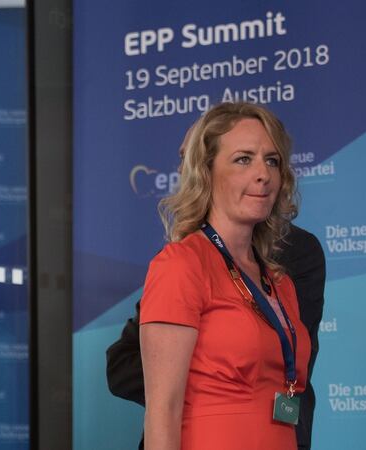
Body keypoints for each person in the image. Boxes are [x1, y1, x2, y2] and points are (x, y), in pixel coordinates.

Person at [137, 102, 312, 449]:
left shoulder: (280, 284)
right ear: (207, 171)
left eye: (272, 160)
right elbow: (162, 411)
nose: (263, 173)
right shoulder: (181, 264)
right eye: (244, 159)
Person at [106, 223, 325, 449]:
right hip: (194, 434)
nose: (260, 185)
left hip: (280, 434)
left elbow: (289, 361)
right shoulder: (185, 258)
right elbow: (121, 365)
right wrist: (206, 381)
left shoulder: (295, 253)